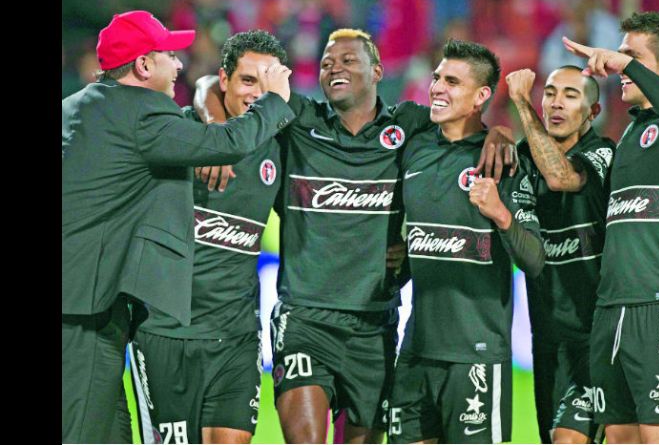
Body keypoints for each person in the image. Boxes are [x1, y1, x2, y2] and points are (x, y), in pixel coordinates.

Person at [195, 29, 514, 444]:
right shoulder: (297, 119)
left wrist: (498, 132)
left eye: (347, 61)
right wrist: (214, 130)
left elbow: (467, 125)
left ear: (377, 71)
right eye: (327, 63)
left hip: (374, 325)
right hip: (305, 319)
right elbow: (208, 86)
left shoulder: (410, 127)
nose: (334, 69)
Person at [61, 10, 293, 443]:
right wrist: (275, 98)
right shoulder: (143, 115)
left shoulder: (76, 108)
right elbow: (227, 143)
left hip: (101, 308)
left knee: (111, 433)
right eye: (169, 54)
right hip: (82, 311)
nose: (180, 64)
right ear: (144, 65)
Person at [125, 30, 289, 444]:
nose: (256, 93)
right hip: (165, 333)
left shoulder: (282, 148)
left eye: (266, 83)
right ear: (225, 80)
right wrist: (211, 130)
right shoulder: (178, 132)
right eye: (247, 81)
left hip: (234, 337)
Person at [387, 39, 545, 444]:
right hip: (416, 351)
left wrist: (499, 213)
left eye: (452, 81)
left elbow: (535, 261)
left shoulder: (504, 162)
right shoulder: (414, 148)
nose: (437, 86)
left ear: (481, 96)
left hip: (476, 357)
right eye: (437, 77)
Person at [562, 11, 659, 444]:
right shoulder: (629, 134)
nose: (615, 64)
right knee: (621, 435)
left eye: (631, 56)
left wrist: (625, 65)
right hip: (612, 308)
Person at [506, 66, 615, 444]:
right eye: (549, 92)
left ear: (593, 112)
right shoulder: (520, 160)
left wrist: (521, 103)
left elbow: (562, 177)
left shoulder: (601, 153)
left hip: (596, 339)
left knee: (569, 439)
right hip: (548, 340)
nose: (555, 102)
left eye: (570, 95)